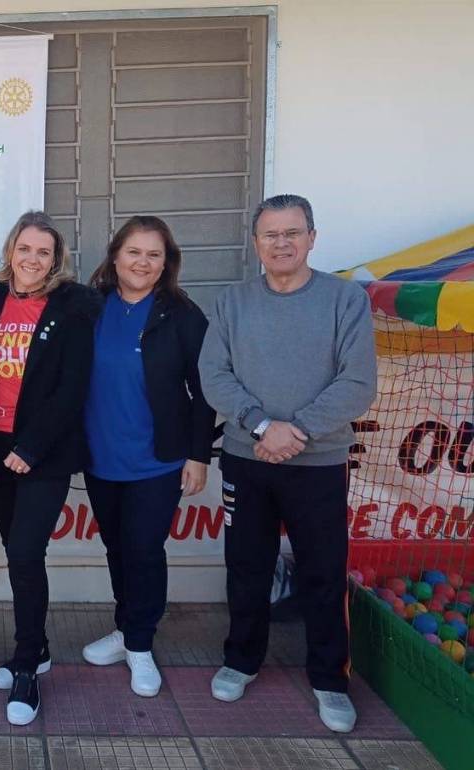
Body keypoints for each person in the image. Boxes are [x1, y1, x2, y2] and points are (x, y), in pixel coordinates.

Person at [197, 193, 377, 733]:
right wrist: (260, 426)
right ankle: (241, 660)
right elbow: (214, 375)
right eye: (270, 234)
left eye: (292, 233)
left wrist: (295, 431)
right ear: (256, 243)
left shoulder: (344, 300)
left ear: (312, 238)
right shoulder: (232, 302)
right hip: (246, 458)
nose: (281, 243)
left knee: (322, 573)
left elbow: (357, 382)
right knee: (246, 567)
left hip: (318, 462)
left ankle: (330, 680)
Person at [0, 211, 102, 726]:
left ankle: (27, 665)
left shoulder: (72, 308)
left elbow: (72, 388)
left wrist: (31, 446)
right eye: (24, 248)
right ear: (10, 251)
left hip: (43, 455)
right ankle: (38, 647)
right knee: (17, 553)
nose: (32, 259)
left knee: (26, 553)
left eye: (43, 252)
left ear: (56, 259)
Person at [81, 216, 216, 696]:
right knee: (116, 549)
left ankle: (140, 644)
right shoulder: (90, 306)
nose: (142, 262)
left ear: (166, 263)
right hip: (100, 456)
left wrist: (198, 455)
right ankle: (125, 630)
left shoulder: (183, 315)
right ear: (115, 256)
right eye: (134, 252)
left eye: (153, 254)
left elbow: (205, 390)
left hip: (158, 460)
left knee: (143, 551)